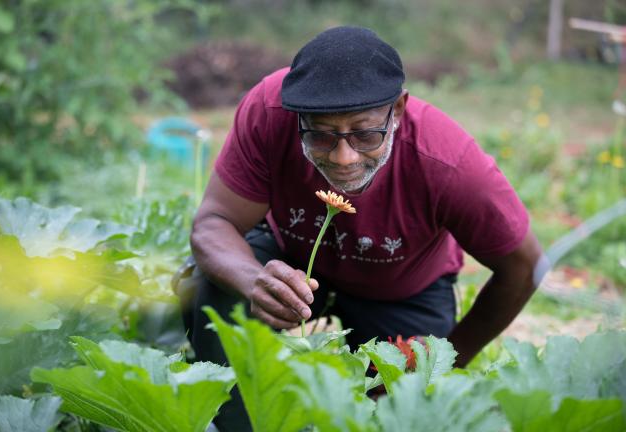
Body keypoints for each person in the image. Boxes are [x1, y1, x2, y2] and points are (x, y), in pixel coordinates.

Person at [174, 26, 543, 431]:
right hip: (294, 265)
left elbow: (523, 267)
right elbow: (214, 223)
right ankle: (238, 422)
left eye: (365, 133)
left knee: (398, 414)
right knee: (209, 286)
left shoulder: (449, 163)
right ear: (296, 116)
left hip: (402, 290)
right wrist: (254, 280)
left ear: (398, 110)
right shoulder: (269, 109)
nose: (344, 157)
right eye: (321, 135)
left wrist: (446, 361)